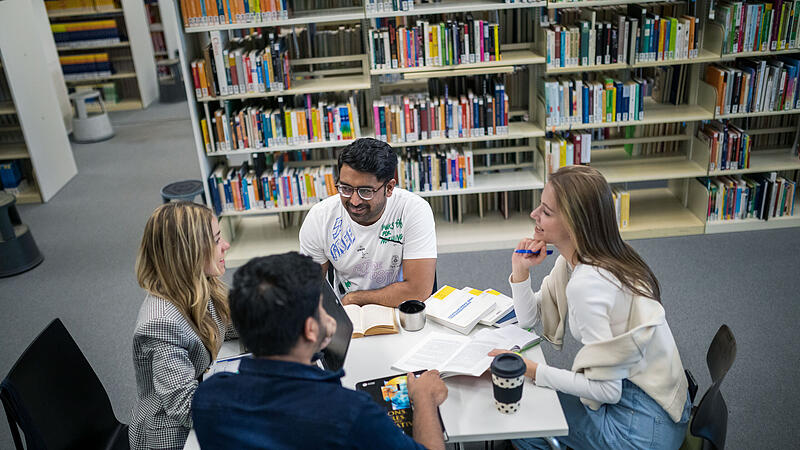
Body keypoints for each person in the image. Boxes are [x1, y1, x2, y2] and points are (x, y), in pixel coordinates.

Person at [490, 166, 691, 450]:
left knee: (525, 419)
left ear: (575, 224)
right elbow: (528, 320)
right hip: (659, 401)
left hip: (643, 428)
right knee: (537, 399)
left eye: (546, 212)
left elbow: (607, 390)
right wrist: (520, 270)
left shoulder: (588, 284)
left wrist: (533, 370)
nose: (534, 215)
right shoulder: (598, 256)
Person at [192, 252, 448, 450]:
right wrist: (423, 397)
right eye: (322, 307)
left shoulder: (208, 398)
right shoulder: (351, 414)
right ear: (310, 330)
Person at [129, 202, 236, 450]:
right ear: (190, 254)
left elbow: (227, 325)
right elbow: (187, 408)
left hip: (202, 391)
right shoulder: (160, 324)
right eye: (217, 239)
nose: (226, 246)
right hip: (174, 436)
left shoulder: (197, 285)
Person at [299, 138, 437, 307]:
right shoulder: (320, 218)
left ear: (389, 188)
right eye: (346, 188)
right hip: (348, 312)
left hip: (401, 308)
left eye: (365, 191)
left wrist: (354, 299)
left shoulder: (413, 210)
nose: (355, 201)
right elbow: (309, 288)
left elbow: (418, 290)